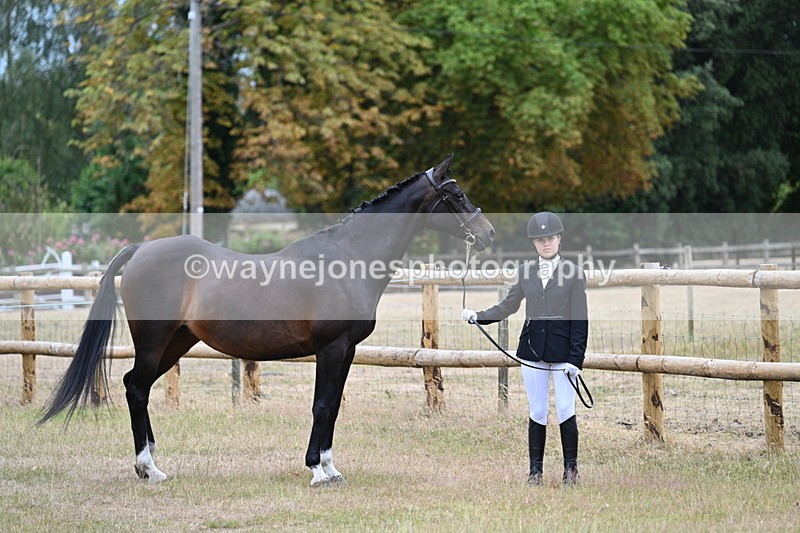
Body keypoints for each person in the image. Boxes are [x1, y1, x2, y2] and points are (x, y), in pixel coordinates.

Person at [462, 211, 588, 486]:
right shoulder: (525, 272)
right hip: (532, 349)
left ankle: (571, 471)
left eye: (550, 238)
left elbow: (580, 319)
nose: (546, 243)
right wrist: (478, 316)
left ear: (559, 239)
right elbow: (508, 306)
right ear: (534, 243)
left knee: (565, 409)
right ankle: (535, 472)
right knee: (538, 411)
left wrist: (576, 359)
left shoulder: (574, 273)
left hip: (564, 352)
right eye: (540, 240)